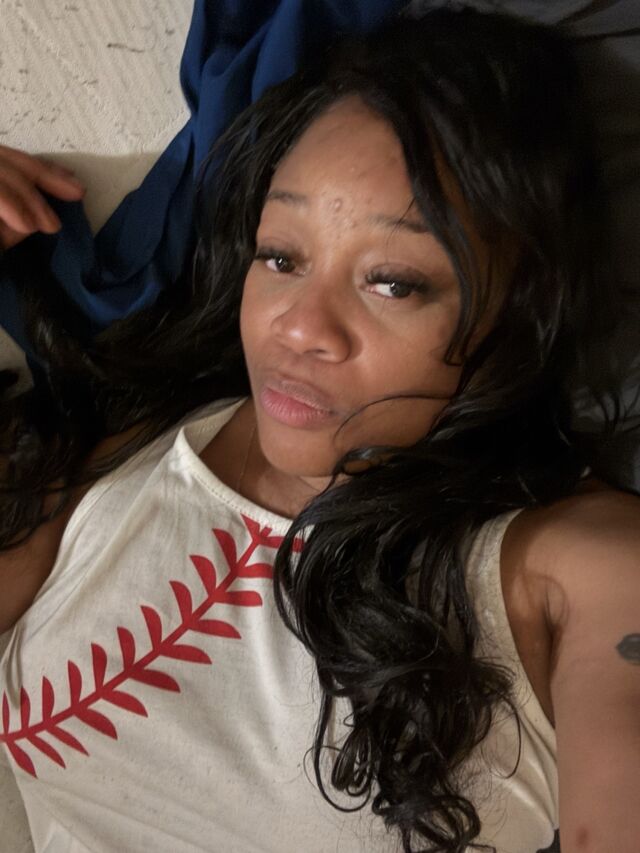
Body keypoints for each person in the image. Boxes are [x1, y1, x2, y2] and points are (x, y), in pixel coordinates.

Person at [0, 7, 638, 853]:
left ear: (521, 311)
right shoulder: (115, 447)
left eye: (393, 282)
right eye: (281, 256)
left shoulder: (576, 566)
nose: (300, 327)